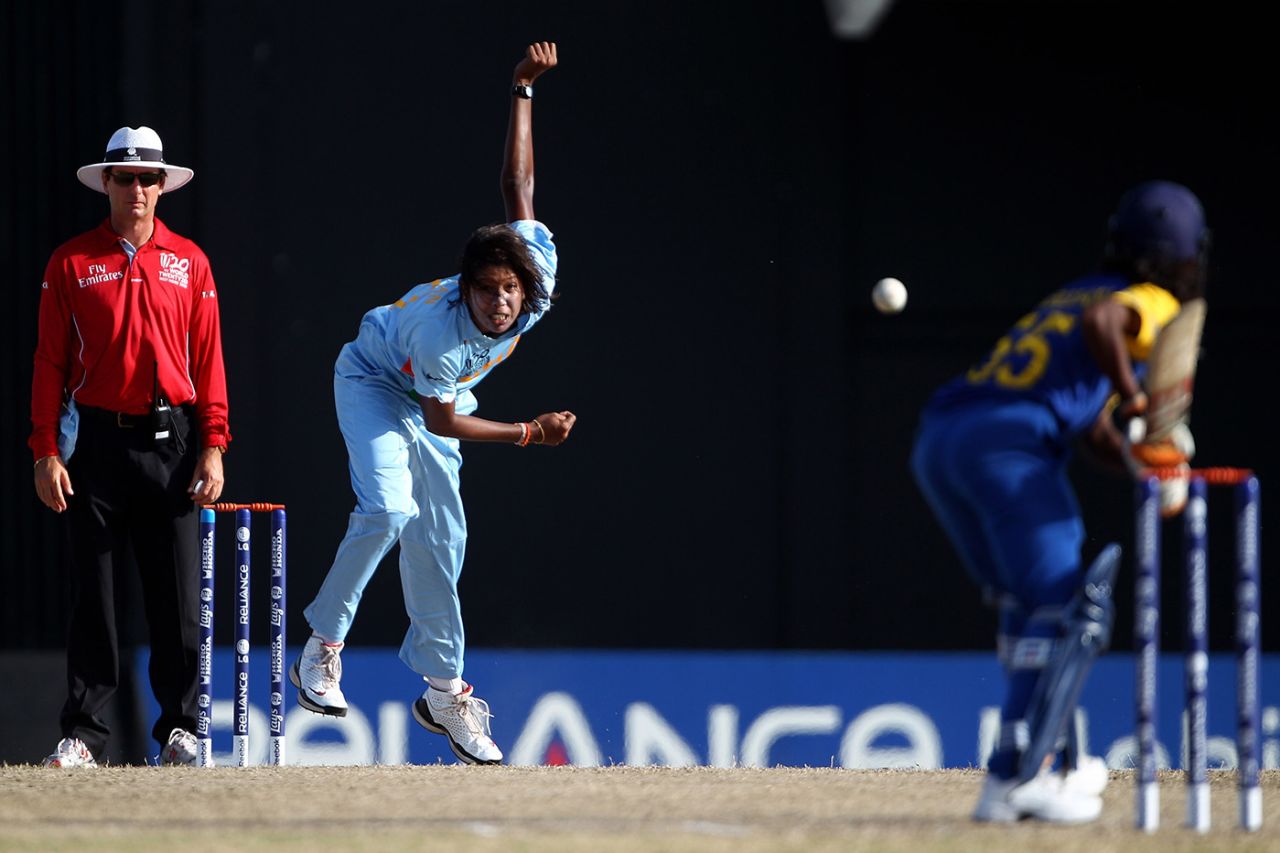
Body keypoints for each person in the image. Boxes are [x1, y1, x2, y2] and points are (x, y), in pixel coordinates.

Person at [290, 42, 572, 765]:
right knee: (390, 509)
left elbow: (519, 187)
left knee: (441, 541)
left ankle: (445, 693)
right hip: (375, 382)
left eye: (509, 290)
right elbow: (444, 418)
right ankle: (322, 645)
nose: (500, 303)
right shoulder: (439, 335)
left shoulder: (535, 276)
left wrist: (522, 89)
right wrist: (528, 433)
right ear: (465, 289)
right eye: (486, 291)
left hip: (436, 398)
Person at [909, 180, 1209, 822]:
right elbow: (1107, 327)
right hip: (1007, 443)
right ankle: (1015, 777)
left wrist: (1141, 463)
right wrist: (1138, 398)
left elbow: (1090, 426)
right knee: (1071, 609)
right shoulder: (1149, 300)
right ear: (1183, 258)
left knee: (1031, 604)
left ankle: (1056, 763)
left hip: (943, 439)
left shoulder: (1076, 291)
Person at [31, 126, 232, 767]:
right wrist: (45, 450)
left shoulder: (190, 261)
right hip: (95, 444)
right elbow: (49, 362)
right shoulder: (71, 261)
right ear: (108, 184)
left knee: (176, 598)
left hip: (171, 444)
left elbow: (208, 359)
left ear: (162, 186)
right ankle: (84, 735)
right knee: (94, 595)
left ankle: (182, 730)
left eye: (149, 178)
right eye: (126, 178)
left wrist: (214, 444)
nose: (137, 189)